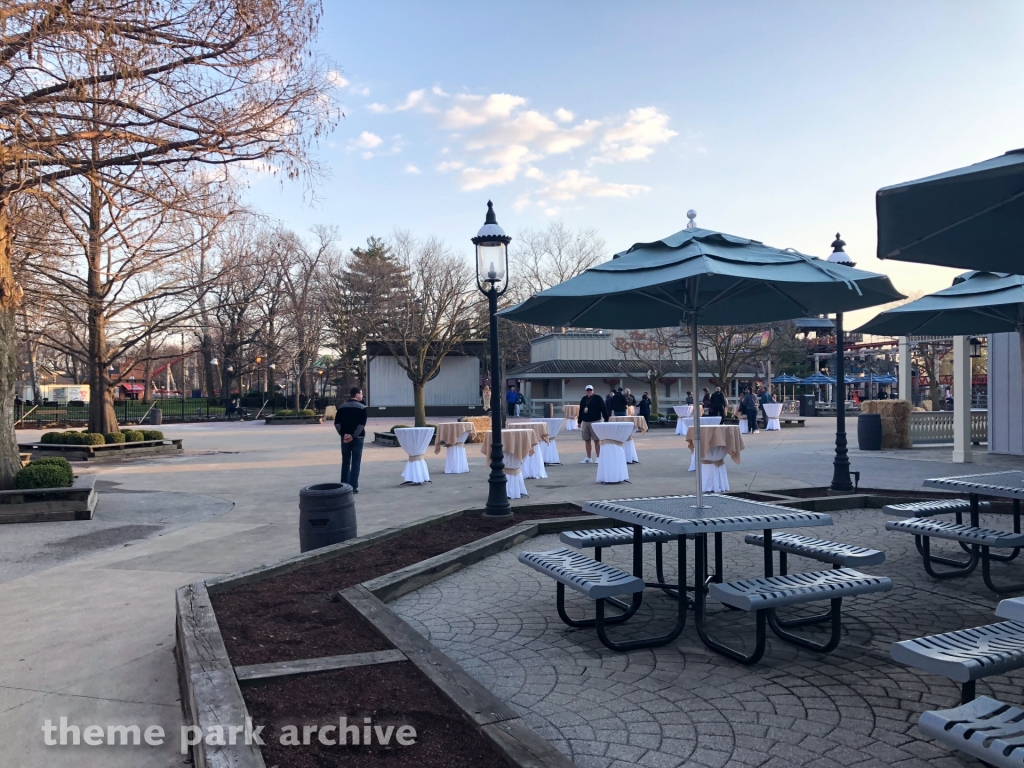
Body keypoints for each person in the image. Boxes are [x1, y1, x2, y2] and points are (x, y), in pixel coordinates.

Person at [335, 387, 367, 493]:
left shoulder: (341, 407)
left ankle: (344, 485)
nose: (362, 396)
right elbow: (361, 424)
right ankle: (353, 487)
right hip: (358, 438)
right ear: (357, 395)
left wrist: (344, 434)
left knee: (345, 462)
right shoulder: (362, 408)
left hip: (344, 439)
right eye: (361, 394)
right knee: (356, 463)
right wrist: (353, 436)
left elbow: (337, 423)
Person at [577, 384, 608, 463]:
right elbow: (581, 411)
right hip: (585, 421)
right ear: (585, 391)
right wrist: (579, 421)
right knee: (586, 440)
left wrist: (606, 419)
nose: (589, 391)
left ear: (593, 390)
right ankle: (589, 457)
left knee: (596, 440)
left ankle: (598, 457)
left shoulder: (598, 398)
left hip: (596, 421)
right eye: (588, 390)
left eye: (590, 390)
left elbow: (603, 409)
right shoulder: (584, 399)